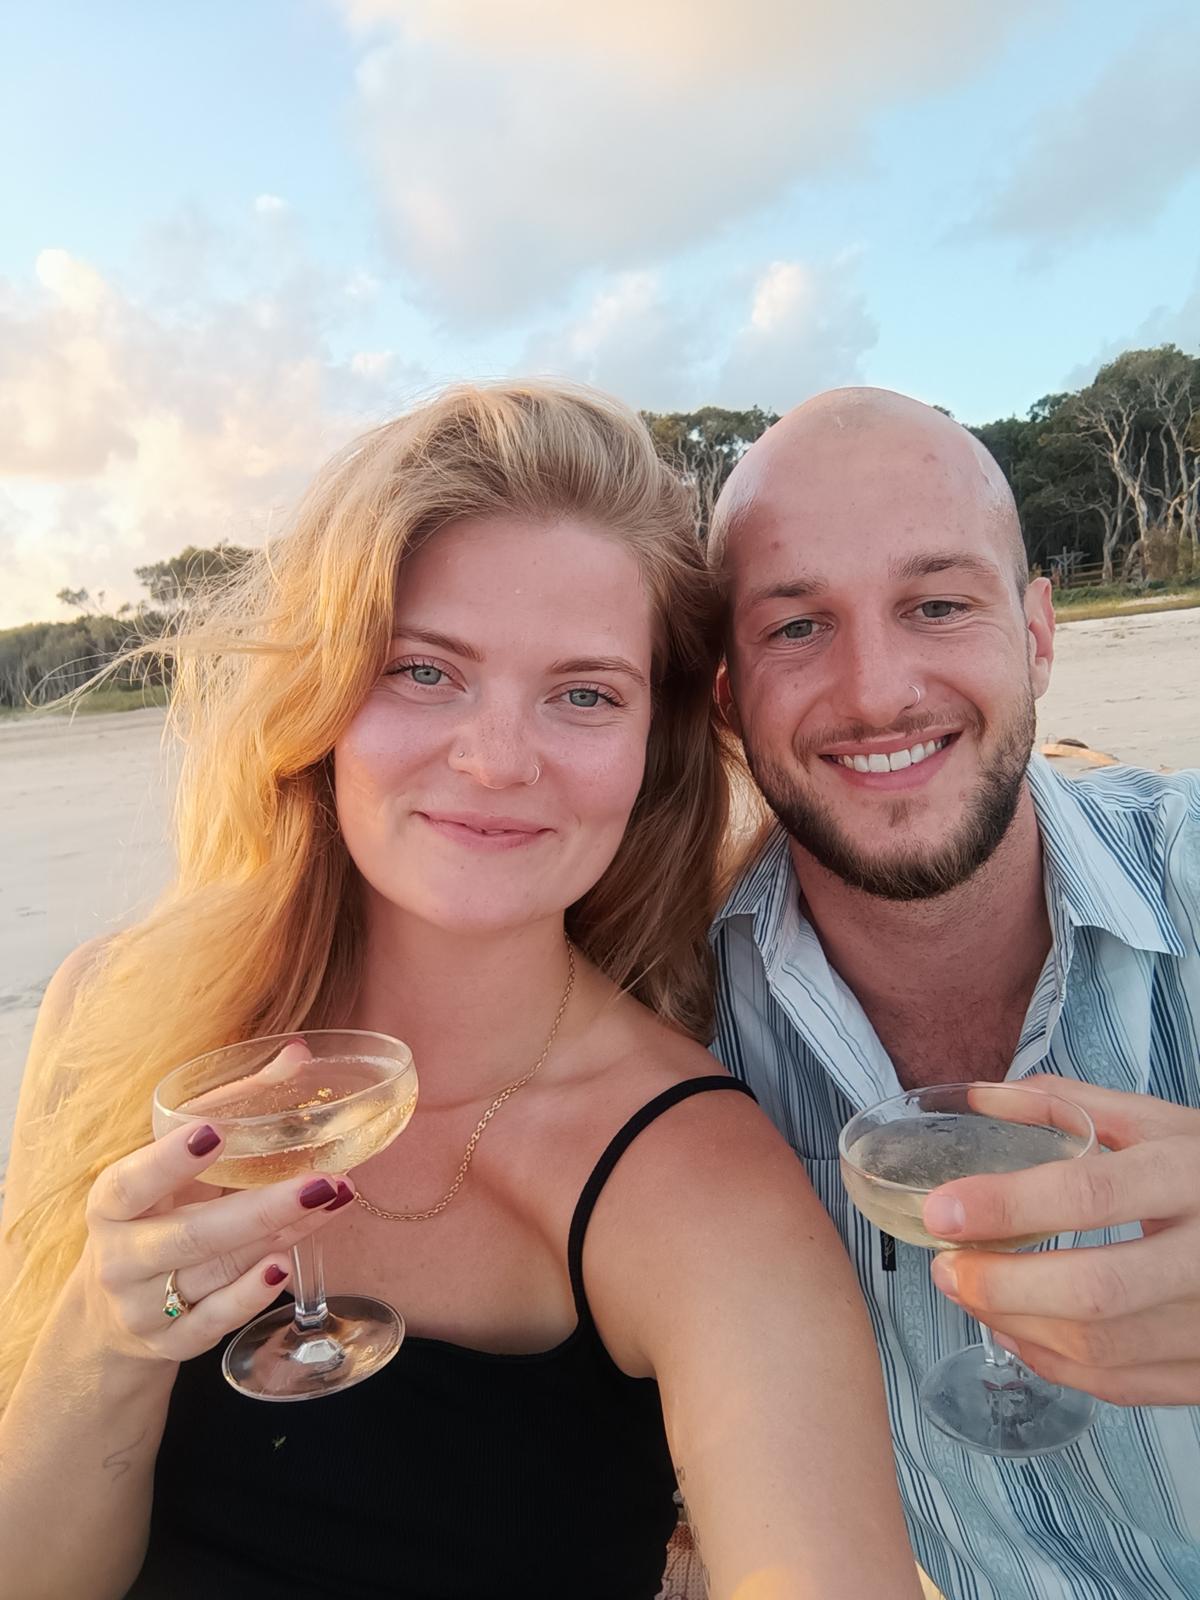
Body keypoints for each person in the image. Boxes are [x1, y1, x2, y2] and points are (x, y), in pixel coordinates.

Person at [0, 381, 922, 1600]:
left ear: (656, 746)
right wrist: (107, 1343)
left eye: (584, 692)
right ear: (321, 697)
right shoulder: (110, 1013)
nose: (496, 758)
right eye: (426, 672)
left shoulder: (695, 1183)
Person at [707, 386, 1200, 1600]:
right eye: (796, 628)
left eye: (937, 604)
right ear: (724, 692)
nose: (877, 691)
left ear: (1036, 633)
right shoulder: (672, 1020)